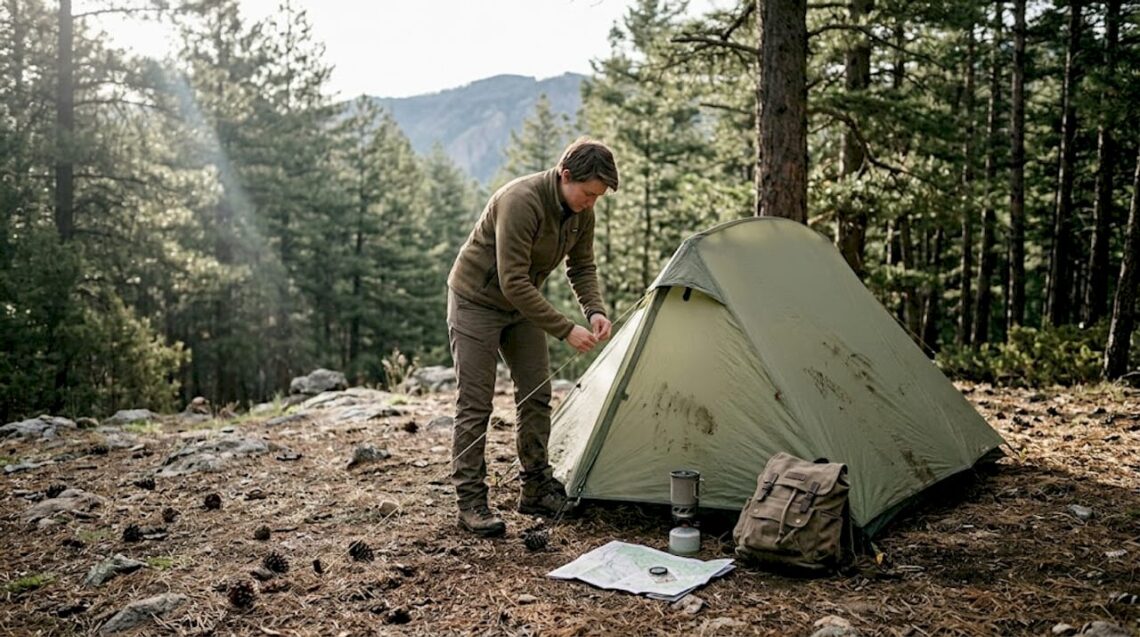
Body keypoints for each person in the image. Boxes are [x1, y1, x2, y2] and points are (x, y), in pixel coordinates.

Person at [446, 137, 619, 536]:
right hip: (476, 301)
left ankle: (536, 488)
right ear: (565, 175)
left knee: (537, 394)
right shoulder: (521, 201)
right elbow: (513, 281)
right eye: (589, 192)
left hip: (521, 305)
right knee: (476, 403)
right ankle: (470, 502)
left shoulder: (581, 212)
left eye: (599, 197)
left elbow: (582, 266)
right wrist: (565, 329)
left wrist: (594, 311)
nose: (592, 202)